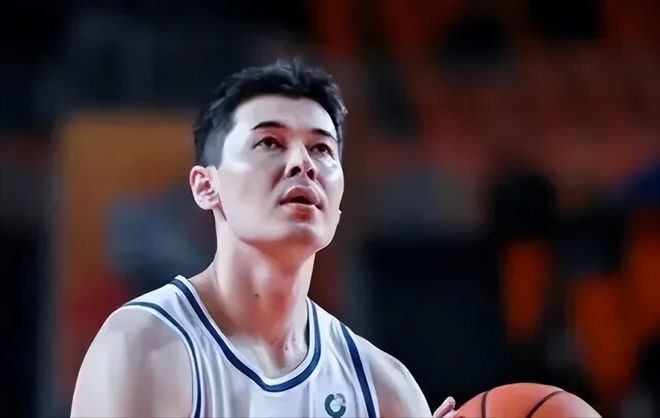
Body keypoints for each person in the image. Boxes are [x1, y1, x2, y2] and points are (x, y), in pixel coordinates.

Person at [71, 59, 456, 418]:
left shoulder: (385, 389)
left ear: (339, 205)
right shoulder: (142, 347)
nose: (303, 164)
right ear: (206, 186)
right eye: (270, 142)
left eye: (321, 148)